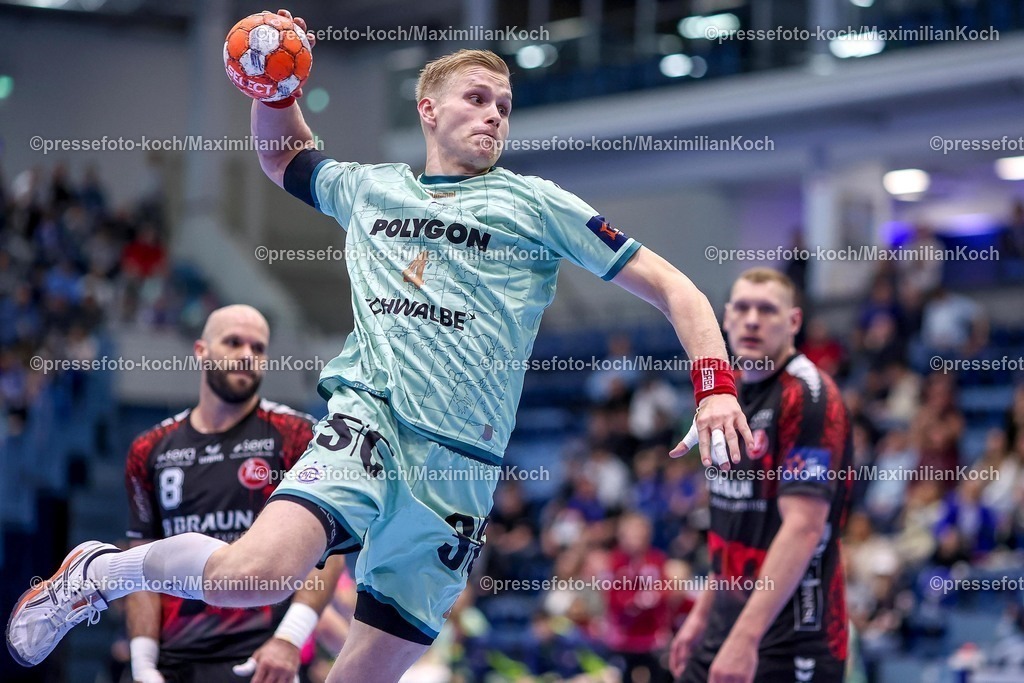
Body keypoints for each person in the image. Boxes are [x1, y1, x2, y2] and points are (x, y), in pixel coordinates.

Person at [8, 12, 752, 683]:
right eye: (476, 98)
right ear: (427, 108)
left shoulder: (537, 204)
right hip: (372, 423)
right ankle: (98, 574)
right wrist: (276, 88)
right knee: (256, 574)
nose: (494, 114)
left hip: (460, 475)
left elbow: (675, 287)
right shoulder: (372, 189)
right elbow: (283, 157)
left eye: (504, 106)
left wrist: (714, 382)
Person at [124, 304, 341, 682]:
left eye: (258, 348)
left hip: (262, 661)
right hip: (175, 663)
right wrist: (143, 665)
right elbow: (139, 564)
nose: (247, 356)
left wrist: (289, 640)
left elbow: (328, 553)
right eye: (234, 342)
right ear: (200, 351)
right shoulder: (150, 449)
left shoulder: (298, 437)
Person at [668, 268, 854, 683]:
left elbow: (804, 528)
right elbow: (733, 522)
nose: (753, 319)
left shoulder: (807, 395)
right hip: (727, 617)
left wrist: (745, 640)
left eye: (767, 309)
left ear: (793, 323)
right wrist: (703, 613)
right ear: (727, 319)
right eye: (743, 308)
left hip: (791, 635)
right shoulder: (725, 396)